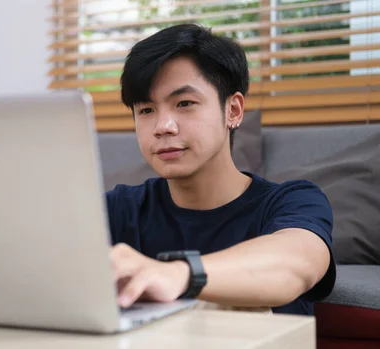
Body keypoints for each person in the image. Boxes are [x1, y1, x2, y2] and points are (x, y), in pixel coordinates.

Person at [106, 23, 335, 316]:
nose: (163, 126)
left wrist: (180, 274)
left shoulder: (293, 202)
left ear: (233, 111)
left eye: (184, 103)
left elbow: (295, 264)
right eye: (146, 110)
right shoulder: (119, 209)